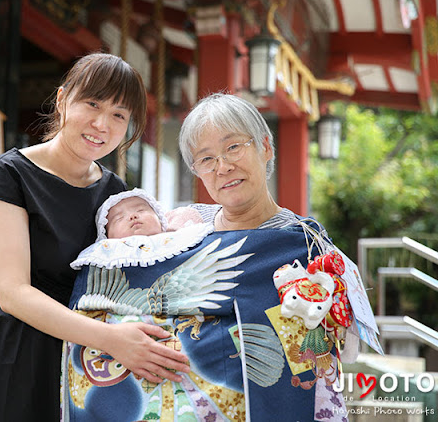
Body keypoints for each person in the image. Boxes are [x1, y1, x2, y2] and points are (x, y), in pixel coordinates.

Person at [61, 92, 356, 421]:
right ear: (196, 170)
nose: (223, 167)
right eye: (206, 159)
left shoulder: (298, 239)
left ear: (265, 147)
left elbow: (319, 340)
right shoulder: (179, 228)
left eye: (233, 147)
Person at [0, 53, 189, 422]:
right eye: (92, 104)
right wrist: (110, 340)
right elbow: (13, 293)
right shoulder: (7, 176)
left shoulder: (114, 192)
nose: (102, 124)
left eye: (119, 115)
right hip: (17, 354)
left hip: (87, 362)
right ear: (62, 100)